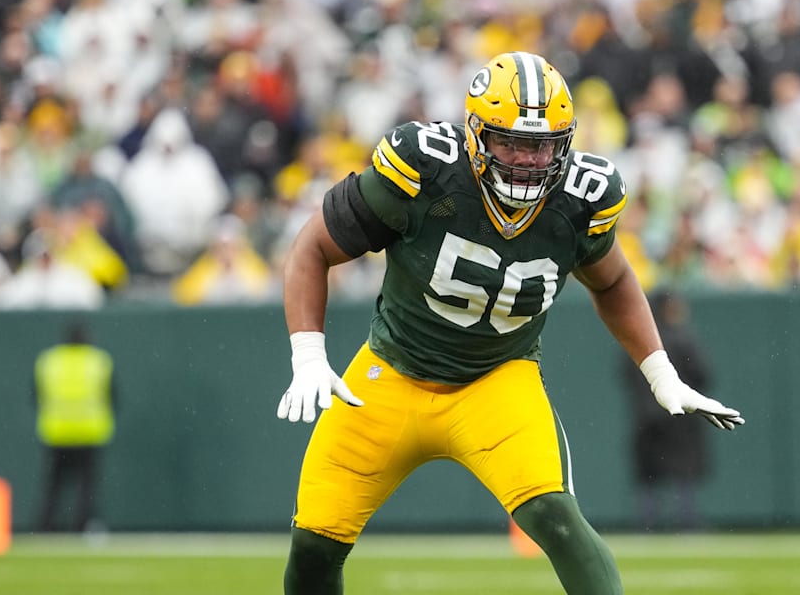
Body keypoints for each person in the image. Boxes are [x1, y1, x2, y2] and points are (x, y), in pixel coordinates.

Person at [275, 51, 745, 595]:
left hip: (496, 379)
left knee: (555, 515)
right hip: (390, 374)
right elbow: (313, 247)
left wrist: (661, 373)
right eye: (511, 142)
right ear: (477, 135)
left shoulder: (581, 198)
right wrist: (308, 354)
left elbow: (613, 279)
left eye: (541, 145)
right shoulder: (425, 169)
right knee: (313, 545)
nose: (526, 160)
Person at [620, 290, 713, 532]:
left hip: (647, 417)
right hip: (680, 417)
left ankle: (648, 523)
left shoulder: (637, 340)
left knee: (648, 475)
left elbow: (625, 375)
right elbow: (703, 375)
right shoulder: (682, 339)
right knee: (683, 473)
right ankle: (686, 522)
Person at [34, 320, 116, 532]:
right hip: (89, 432)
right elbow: (112, 396)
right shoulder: (98, 361)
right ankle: (83, 525)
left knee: (54, 485)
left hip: (57, 431)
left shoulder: (49, 361)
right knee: (86, 486)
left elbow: (37, 396)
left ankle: (46, 526)